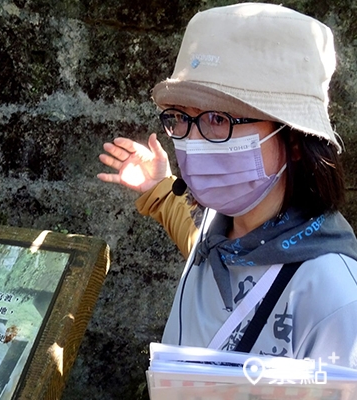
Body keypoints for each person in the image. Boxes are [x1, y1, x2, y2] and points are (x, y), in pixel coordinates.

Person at [98, 3, 357, 368]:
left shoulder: (336, 298)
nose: (192, 141)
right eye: (180, 118)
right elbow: (193, 230)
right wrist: (159, 187)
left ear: (295, 143)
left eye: (219, 118)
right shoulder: (218, 233)